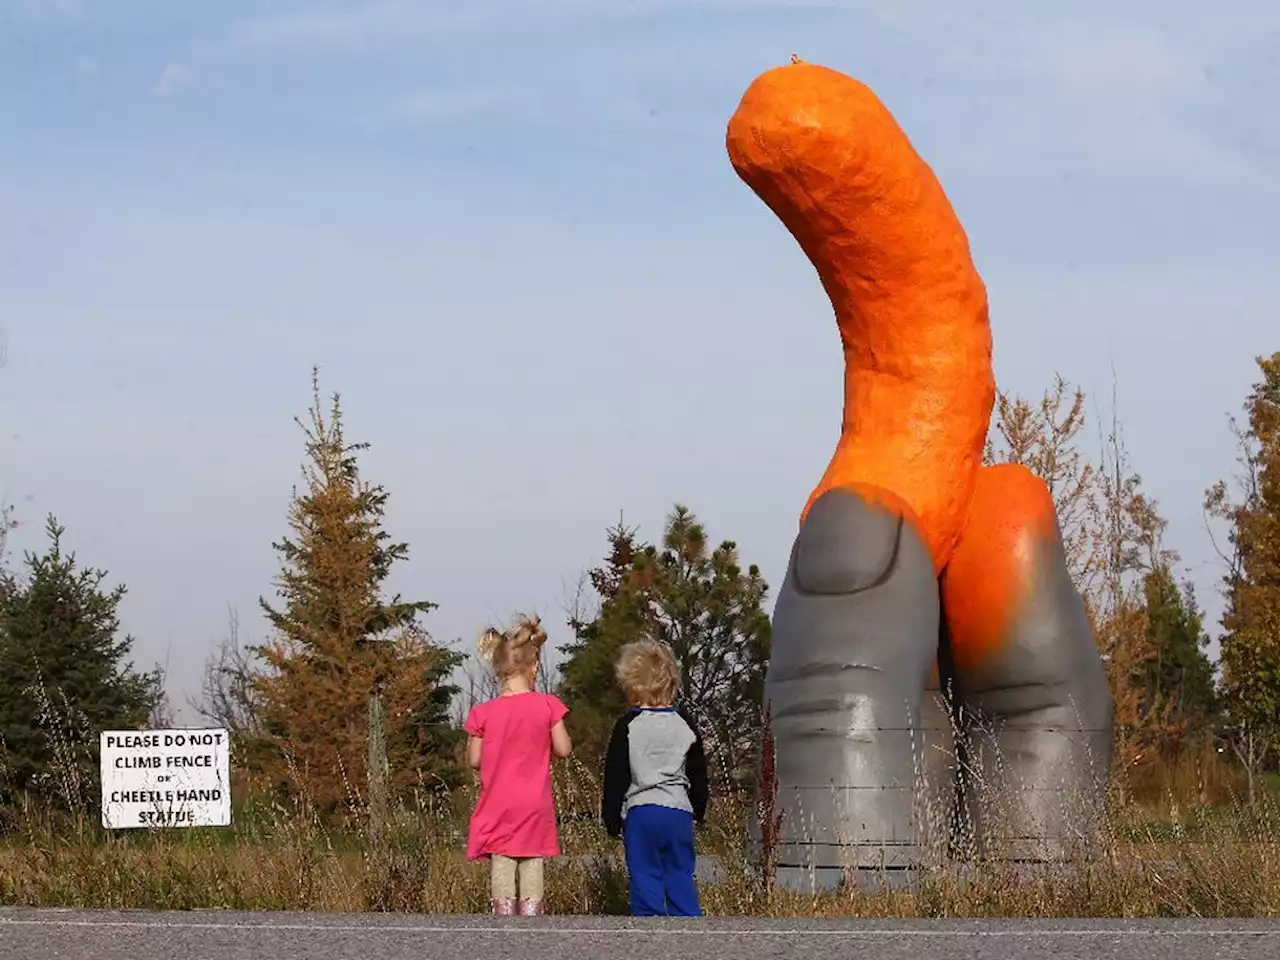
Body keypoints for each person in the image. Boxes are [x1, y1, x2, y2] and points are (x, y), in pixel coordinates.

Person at [464, 615, 572, 916]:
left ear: (497, 671)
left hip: (498, 803)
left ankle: (504, 920)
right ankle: (531, 918)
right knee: (532, 859)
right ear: (534, 667)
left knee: (502, 858)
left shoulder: (482, 713)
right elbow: (563, 749)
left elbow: (474, 760)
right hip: (534, 804)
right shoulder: (548, 705)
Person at [601, 637, 709, 917]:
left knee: (644, 874)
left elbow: (616, 775)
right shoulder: (685, 723)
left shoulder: (628, 725)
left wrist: (611, 816)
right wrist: (699, 807)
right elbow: (697, 770)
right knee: (679, 872)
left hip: (641, 813)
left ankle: (649, 929)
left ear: (632, 686)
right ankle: (686, 923)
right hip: (678, 812)